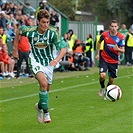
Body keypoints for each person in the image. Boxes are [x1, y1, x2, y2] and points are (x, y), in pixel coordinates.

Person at [12, 9, 66, 123]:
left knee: (45, 92)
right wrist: (14, 48)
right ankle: (46, 113)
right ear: (38, 21)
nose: (46, 25)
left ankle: (39, 107)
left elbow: (63, 49)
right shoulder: (30, 31)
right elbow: (19, 31)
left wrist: (56, 60)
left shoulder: (53, 32)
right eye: (43, 22)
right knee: (43, 83)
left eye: (47, 22)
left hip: (49, 63)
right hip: (34, 61)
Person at [95, 20, 125, 99]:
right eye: (112, 26)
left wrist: (117, 49)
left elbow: (123, 50)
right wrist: (98, 53)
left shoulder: (121, 37)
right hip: (104, 58)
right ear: (109, 27)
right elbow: (98, 42)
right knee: (102, 75)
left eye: (115, 26)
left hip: (114, 61)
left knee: (111, 80)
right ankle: (102, 88)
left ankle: (107, 92)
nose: (113, 28)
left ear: (117, 27)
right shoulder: (105, 34)